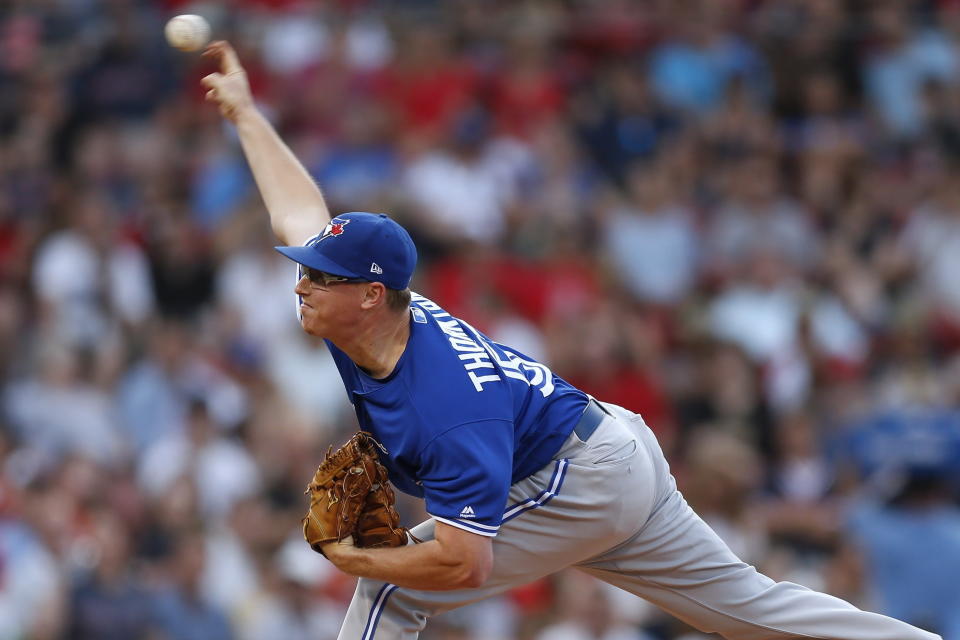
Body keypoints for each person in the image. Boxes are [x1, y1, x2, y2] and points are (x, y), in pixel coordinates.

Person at [200, 41, 941, 640]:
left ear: (367, 295)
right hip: (607, 452)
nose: (300, 284)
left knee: (388, 586)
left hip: (577, 479)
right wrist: (246, 115)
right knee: (749, 613)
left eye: (317, 279)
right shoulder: (374, 314)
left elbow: (464, 565)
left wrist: (353, 550)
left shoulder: (444, 400)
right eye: (307, 275)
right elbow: (301, 214)